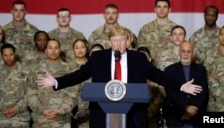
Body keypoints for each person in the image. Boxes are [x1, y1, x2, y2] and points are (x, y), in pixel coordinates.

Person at [36, 26, 201, 128]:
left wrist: (181, 86)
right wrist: (57, 82)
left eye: (122, 40)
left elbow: (158, 76)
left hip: (133, 116)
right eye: (115, 41)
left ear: (128, 41)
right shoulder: (98, 58)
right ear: (109, 42)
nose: (119, 44)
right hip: (102, 114)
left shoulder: (138, 58)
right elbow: (80, 75)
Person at [27, 39, 80, 128]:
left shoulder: (69, 70)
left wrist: (59, 110)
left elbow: (73, 94)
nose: (53, 51)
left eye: (56, 48)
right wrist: (42, 110)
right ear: (46, 50)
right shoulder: (35, 70)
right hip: (41, 120)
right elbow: (31, 94)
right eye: (50, 48)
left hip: (62, 120)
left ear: (60, 50)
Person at [164, 41, 208, 128]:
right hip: (176, 116)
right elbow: (170, 94)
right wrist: (186, 107)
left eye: (189, 51)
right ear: (179, 52)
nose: (185, 54)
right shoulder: (169, 70)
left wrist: (193, 110)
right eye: (183, 51)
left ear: (193, 53)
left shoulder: (200, 70)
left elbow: (203, 92)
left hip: (196, 115)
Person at [0, 43, 31, 127]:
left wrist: (16, 109)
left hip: (21, 116)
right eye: (5, 55)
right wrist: (1, 108)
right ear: (1, 56)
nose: (8, 58)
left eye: (11, 54)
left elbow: (31, 94)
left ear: (15, 54)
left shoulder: (27, 71)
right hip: (0, 115)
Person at [137, 0, 177, 66]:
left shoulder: (176, 29)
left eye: (165, 7)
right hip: (149, 68)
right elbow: (140, 49)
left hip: (169, 67)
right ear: (155, 9)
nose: (162, 10)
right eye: (159, 7)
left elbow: (180, 49)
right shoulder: (146, 29)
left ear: (169, 10)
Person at [137, 46, 165, 128]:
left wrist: (146, 113)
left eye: (144, 57)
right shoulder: (130, 75)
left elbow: (159, 98)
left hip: (151, 120)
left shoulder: (155, 76)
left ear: (149, 59)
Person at [69, 39, 90, 128]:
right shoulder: (67, 67)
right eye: (77, 48)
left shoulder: (92, 65)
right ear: (73, 50)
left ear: (86, 49)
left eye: (82, 47)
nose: (80, 50)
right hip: (71, 110)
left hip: (89, 110)